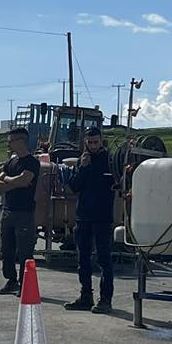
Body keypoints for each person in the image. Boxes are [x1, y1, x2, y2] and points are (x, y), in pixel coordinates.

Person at [63, 126, 115, 312]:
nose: (93, 146)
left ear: (101, 141)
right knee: (83, 259)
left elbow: (118, 182)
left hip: (102, 217)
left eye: (96, 142)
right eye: (90, 142)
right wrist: (83, 168)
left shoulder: (110, 160)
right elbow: (74, 186)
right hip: (83, 216)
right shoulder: (81, 161)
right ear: (85, 142)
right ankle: (86, 295)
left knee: (104, 260)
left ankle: (105, 299)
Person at [0, 126, 40, 296]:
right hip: (8, 211)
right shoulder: (11, 162)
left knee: (25, 252)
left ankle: (24, 284)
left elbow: (24, 180)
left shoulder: (32, 162)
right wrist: (11, 181)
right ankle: (11, 280)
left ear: (21, 141)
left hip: (24, 213)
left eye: (11, 141)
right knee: (7, 250)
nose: (9, 144)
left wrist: (7, 180)